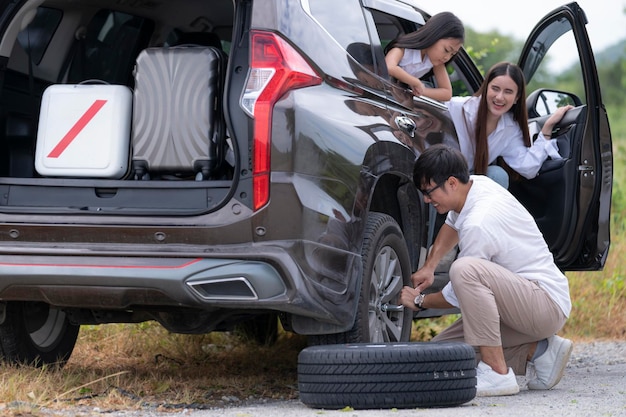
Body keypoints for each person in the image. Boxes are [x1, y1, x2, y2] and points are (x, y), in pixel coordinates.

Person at [400, 144, 573, 397]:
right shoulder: (474, 186)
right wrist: (429, 267)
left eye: (429, 192)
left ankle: (496, 373)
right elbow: (452, 223)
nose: (427, 199)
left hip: (543, 302)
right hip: (517, 305)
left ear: (450, 183)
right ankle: (539, 351)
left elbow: (458, 293)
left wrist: (419, 300)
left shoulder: (479, 222)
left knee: (465, 271)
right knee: (440, 352)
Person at [446, 61, 572, 188]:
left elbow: (528, 168)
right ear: (486, 88)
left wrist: (547, 127)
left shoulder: (510, 128)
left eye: (508, 91)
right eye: (495, 89)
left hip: (466, 180)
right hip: (439, 176)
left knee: (497, 175)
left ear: (517, 97)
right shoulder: (457, 107)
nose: (500, 97)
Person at [385, 12, 464, 102]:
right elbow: (389, 67)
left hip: (396, 96)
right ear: (434, 35)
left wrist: (420, 90)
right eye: (446, 50)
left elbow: (447, 94)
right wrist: (415, 82)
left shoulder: (434, 62)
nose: (447, 58)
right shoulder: (403, 49)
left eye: (452, 54)